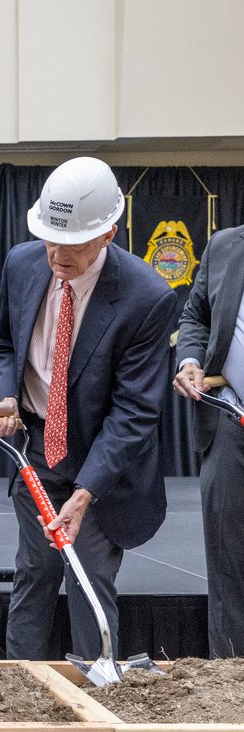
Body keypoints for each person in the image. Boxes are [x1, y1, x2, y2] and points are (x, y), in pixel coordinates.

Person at [0, 156, 175, 661]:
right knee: (34, 571)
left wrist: (86, 492)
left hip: (102, 464)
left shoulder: (146, 297)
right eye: (50, 237)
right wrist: (8, 396)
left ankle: (98, 690)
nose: (56, 254)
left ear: (108, 234)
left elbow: (134, 412)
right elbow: (3, 343)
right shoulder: (22, 263)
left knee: (89, 577)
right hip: (37, 449)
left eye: (71, 244)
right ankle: (20, 689)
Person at [173, 224, 244, 658]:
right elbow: (195, 315)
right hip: (228, 419)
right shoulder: (224, 245)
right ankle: (231, 681)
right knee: (227, 562)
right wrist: (191, 358)